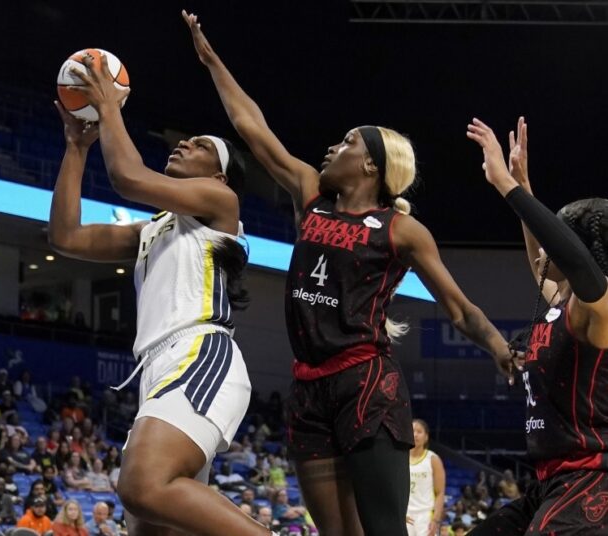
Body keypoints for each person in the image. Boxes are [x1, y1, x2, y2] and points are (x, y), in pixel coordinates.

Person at [183, 11, 515, 536]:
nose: (333, 148)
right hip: (308, 388)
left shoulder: (401, 230)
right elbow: (254, 128)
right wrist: (211, 60)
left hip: (366, 384)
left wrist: (500, 348)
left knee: (384, 530)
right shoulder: (311, 197)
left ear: (371, 167)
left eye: (347, 143)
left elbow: (459, 307)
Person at [48, 50, 270, 536]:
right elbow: (66, 237)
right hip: (157, 368)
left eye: (201, 145)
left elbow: (128, 178)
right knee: (148, 525)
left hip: (200, 353)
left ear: (218, 176)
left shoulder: (220, 203)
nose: (185, 142)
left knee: (141, 486)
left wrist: (108, 107)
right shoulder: (153, 232)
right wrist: (75, 149)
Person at [466, 116, 608, 534]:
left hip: (592, 480)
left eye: (557, 240)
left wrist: (507, 190)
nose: (545, 251)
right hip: (552, 480)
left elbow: (577, 264)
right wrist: (523, 185)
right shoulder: (560, 301)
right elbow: (542, 261)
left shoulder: (596, 310)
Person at [406, 419, 446, 536]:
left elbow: (440, 493)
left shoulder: (433, 459)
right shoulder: (400, 459)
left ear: (426, 437)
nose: (415, 434)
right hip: (406, 514)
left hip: (425, 515)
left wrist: (435, 519)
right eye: (412, 431)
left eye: (419, 431)